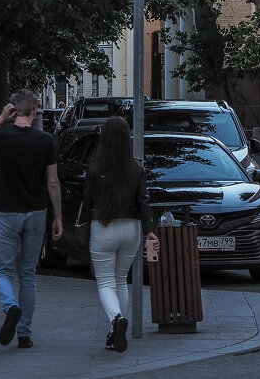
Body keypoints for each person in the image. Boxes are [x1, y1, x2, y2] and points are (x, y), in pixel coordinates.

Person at [0, 89, 63, 349]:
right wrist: (58, 216)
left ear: (13, 110)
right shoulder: (46, 140)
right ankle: (24, 334)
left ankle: (10, 306)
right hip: (36, 212)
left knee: (3, 271)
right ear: (34, 112)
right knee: (28, 275)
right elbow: (53, 182)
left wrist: (1, 119)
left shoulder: (2, 136)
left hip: (7, 211)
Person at [84, 117, 159, 353]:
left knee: (105, 282)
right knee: (120, 280)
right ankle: (115, 334)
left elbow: (87, 200)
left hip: (104, 227)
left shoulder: (95, 168)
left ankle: (117, 321)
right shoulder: (137, 168)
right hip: (131, 229)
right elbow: (143, 202)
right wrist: (150, 231)